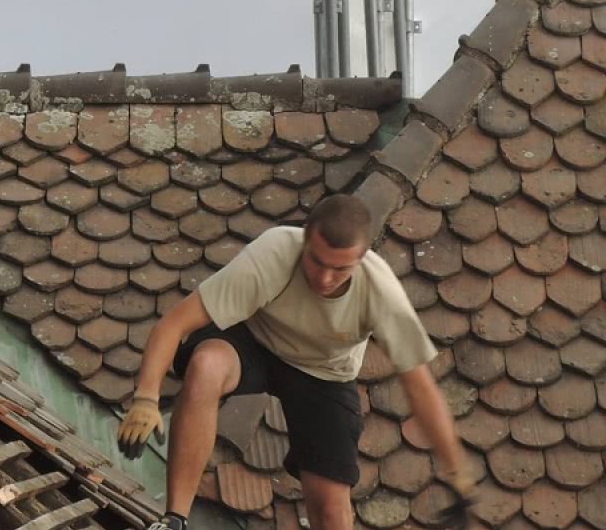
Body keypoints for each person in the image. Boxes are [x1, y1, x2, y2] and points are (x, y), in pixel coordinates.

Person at [116, 195, 475, 530]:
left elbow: (421, 389)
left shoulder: (381, 292)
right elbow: (174, 324)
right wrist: (146, 398)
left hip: (325, 373)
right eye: (316, 261)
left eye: (340, 269)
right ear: (305, 240)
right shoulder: (274, 251)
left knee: (332, 507)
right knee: (206, 366)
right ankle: (174, 520)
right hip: (253, 341)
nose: (324, 278)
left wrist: (457, 471)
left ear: (361, 259)